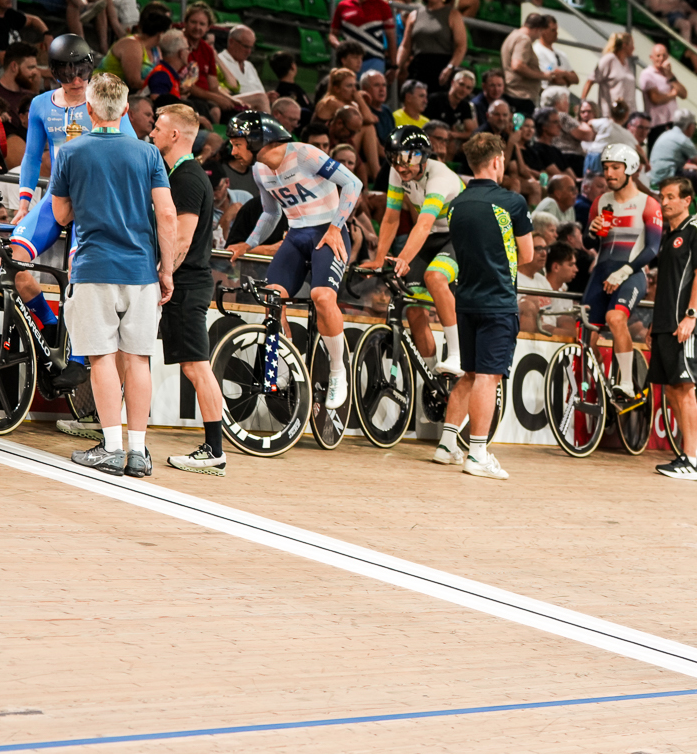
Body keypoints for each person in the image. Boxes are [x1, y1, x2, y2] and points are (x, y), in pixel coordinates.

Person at [49, 73, 178, 477]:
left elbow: (59, 215)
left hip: (93, 268)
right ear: (124, 110)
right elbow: (167, 214)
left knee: (102, 358)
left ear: (88, 110)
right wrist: (167, 270)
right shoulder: (148, 154)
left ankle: (111, 447)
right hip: (141, 271)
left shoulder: (71, 152)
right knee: (138, 359)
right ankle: (138, 453)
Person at [9, 37, 138, 381]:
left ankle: (79, 360)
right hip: (57, 196)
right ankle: (49, 324)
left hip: (93, 202)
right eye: (67, 73)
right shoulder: (39, 105)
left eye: (81, 71)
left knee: (83, 275)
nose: (77, 80)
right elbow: (32, 156)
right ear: (54, 73)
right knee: (12, 261)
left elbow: (130, 150)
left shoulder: (105, 103)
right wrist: (23, 204)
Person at [225, 111, 365, 409]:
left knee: (322, 296)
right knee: (273, 302)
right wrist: (247, 244)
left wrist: (336, 227)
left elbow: (353, 184)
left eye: (237, 144)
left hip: (327, 232)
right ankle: (290, 367)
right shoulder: (260, 170)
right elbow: (271, 213)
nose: (233, 151)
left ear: (256, 140)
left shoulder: (304, 154)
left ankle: (339, 370)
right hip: (296, 236)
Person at [430, 131, 533, 479]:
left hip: (466, 301)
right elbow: (528, 254)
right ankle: (477, 454)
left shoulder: (456, 203)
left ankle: (446, 445)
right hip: (498, 302)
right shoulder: (512, 202)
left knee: (469, 374)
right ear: (497, 161)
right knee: (489, 378)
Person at [148, 103, 226, 475]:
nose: (152, 133)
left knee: (197, 367)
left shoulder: (187, 178)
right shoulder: (183, 175)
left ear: (175, 135)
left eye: (158, 128)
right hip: (188, 282)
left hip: (188, 283)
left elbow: (180, 238)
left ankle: (214, 450)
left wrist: (165, 275)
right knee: (194, 366)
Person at [367, 131, 466, 375]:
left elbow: (422, 224)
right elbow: (391, 216)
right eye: (395, 160)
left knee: (435, 277)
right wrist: (380, 259)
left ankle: (456, 356)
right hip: (434, 235)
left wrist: (403, 259)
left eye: (407, 160)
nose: (401, 168)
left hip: (460, 235)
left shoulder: (440, 177)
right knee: (413, 308)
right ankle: (432, 380)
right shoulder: (397, 171)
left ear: (423, 157)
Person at [583, 143, 662, 406]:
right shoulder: (600, 202)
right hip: (601, 273)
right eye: (606, 168)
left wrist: (625, 271)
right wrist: (592, 232)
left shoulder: (647, 204)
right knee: (585, 336)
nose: (609, 173)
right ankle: (600, 388)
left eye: (615, 168)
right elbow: (590, 243)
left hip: (631, 273)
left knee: (615, 318)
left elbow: (652, 248)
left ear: (630, 169)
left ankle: (626, 383)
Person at [650, 175, 697, 481]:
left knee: (686, 389)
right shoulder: (668, 236)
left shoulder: (696, 229)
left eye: (671, 196)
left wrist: (691, 315)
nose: (665, 202)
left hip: (684, 324)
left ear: (687, 200)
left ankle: (689, 458)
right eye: (662, 196)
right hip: (664, 324)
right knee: (674, 391)